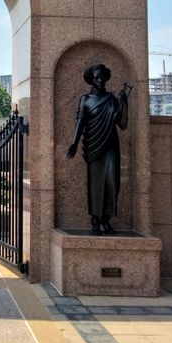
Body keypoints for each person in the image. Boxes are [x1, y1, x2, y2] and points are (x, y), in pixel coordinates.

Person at [66, 64, 130, 235]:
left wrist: (124, 104)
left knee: (112, 183)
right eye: (97, 77)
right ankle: (95, 219)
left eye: (103, 76)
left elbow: (123, 124)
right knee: (95, 185)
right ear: (92, 80)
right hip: (94, 147)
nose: (100, 80)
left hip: (111, 147)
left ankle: (106, 219)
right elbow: (80, 122)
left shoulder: (112, 99)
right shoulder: (85, 100)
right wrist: (74, 143)